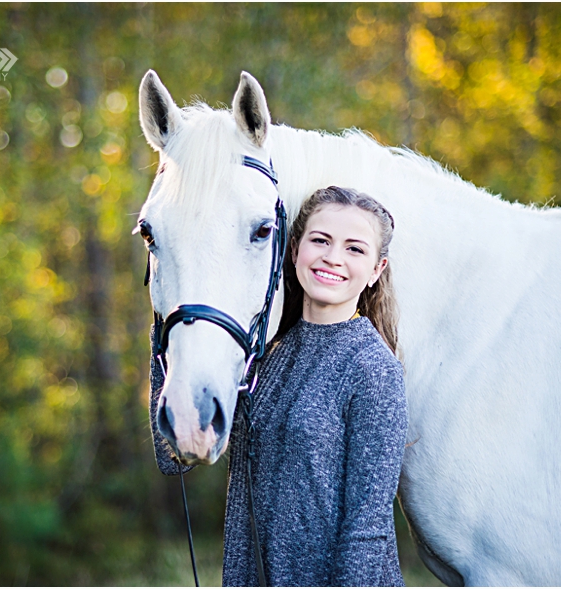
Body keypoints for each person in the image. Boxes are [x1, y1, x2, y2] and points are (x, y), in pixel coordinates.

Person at [149, 186, 408, 586]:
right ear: (294, 250)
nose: (333, 257)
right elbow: (172, 458)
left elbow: (367, 528)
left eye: (354, 249)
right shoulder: (263, 356)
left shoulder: (372, 367)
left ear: (377, 269)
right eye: (320, 240)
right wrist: (167, 317)